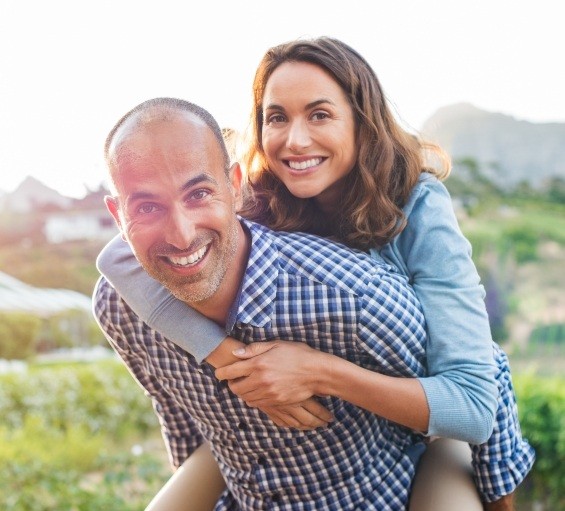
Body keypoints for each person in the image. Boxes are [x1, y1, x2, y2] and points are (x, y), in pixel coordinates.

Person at [97, 38, 535, 509]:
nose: (295, 140)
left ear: (361, 122)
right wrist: (226, 357)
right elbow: (117, 258)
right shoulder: (258, 197)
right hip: (292, 437)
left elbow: (473, 388)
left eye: (320, 114)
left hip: (420, 411)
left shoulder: (418, 208)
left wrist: (318, 371)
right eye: (277, 117)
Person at [95, 96, 438, 509]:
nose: (181, 235)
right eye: (147, 207)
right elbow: (181, 423)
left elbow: (476, 388)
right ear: (118, 216)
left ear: (235, 186)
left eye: (199, 194)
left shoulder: (354, 297)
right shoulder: (120, 307)